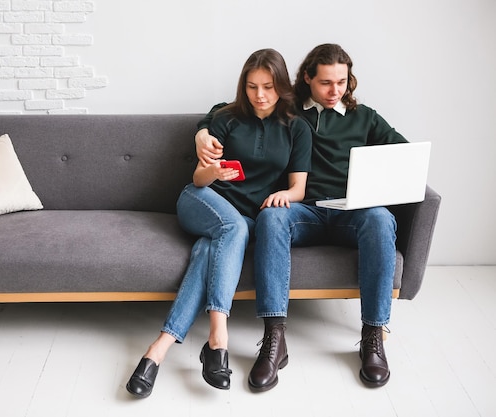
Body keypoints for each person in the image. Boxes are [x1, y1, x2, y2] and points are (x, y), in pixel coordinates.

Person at [195, 43, 408, 391]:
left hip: (352, 212)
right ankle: (275, 339)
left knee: (381, 219)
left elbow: (403, 153)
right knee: (271, 218)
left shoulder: (365, 116)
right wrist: (202, 132)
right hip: (303, 211)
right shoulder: (288, 106)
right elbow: (226, 109)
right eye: (325, 82)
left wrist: (378, 184)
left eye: (342, 82)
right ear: (307, 78)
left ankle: (373, 336)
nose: (334, 90)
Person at [125, 48, 312, 398]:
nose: (259, 95)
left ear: (281, 86)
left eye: (268, 87)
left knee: (209, 250)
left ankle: (158, 350)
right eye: (252, 86)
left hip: (242, 218)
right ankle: (218, 339)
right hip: (202, 200)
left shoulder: (297, 128)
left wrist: (284, 197)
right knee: (234, 228)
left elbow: (298, 188)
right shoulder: (226, 118)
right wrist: (212, 171)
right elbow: (198, 179)